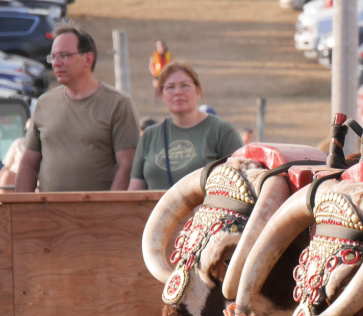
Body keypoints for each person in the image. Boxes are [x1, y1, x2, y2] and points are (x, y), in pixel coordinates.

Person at [15, 25, 139, 193]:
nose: (56, 63)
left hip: (98, 216)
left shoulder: (118, 104)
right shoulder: (44, 104)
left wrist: (108, 211)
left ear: (88, 59)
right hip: (49, 215)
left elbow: (127, 166)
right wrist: (23, 211)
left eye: (64, 56)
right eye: (53, 57)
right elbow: (29, 162)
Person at [128, 62, 242, 191]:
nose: (178, 92)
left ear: (198, 91)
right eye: (170, 87)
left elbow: (241, 185)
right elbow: (134, 193)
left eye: (185, 86)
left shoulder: (222, 131)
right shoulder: (149, 136)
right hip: (155, 211)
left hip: (207, 211)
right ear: (162, 94)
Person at [0, 119, 30, 190]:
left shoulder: (44, 148)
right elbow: (6, 166)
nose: (29, 133)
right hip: (12, 180)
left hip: (28, 181)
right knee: (7, 175)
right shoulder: (18, 144)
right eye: (26, 130)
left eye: (32, 130)